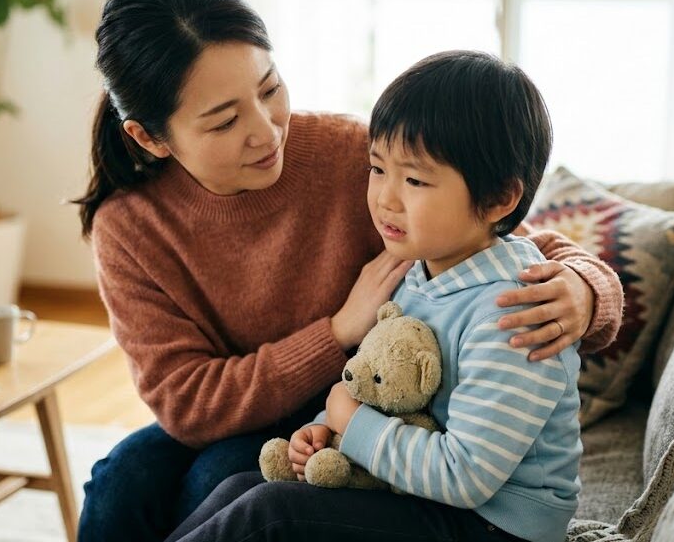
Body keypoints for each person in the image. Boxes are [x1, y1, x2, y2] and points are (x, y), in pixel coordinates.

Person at [73, 0, 622, 542]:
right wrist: (336, 330)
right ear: (149, 137)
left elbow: (500, 235)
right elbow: (188, 404)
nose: (267, 132)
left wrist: (584, 289)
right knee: (120, 481)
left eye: (269, 89)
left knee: (228, 482)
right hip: (275, 405)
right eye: (226, 120)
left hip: (368, 399)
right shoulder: (130, 227)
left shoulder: (353, 155)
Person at [166, 50, 579, 542]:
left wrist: (351, 422)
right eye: (378, 169)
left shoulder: (515, 312)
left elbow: (464, 476)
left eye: (416, 180)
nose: (385, 197)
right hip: (421, 499)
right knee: (239, 486)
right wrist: (326, 432)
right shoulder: (417, 275)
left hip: (494, 525)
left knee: (272, 514)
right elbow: (377, 388)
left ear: (498, 200)